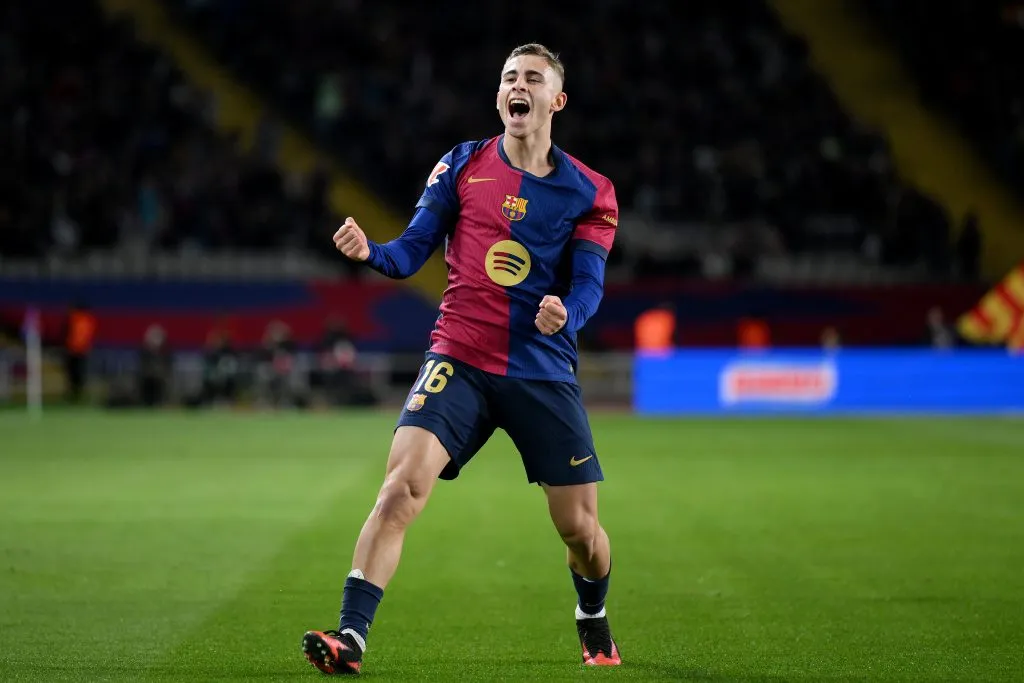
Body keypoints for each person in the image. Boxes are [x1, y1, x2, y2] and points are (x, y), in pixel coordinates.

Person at [302, 43, 621, 675]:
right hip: (460, 355)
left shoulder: (590, 191)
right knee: (400, 489)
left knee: (580, 532)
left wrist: (567, 312)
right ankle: (351, 637)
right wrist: (370, 252)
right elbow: (409, 251)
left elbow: (589, 284)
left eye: (532, 78)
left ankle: (592, 613)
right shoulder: (462, 164)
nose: (517, 86)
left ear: (556, 100)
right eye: (509, 77)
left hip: (540, 368)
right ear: (499, 95)